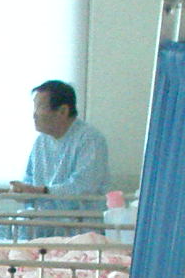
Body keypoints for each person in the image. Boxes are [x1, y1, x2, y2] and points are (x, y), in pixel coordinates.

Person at [11, 78, 112, 208]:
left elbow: (84, 187)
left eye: (40, 107)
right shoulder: (40, 141)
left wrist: (41, 191)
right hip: (42, 218)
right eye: (34, 107)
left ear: (63, 111)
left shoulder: (90, 139)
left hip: (80, 218)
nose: (34, 115)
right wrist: (21, 190)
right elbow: (29, 179)